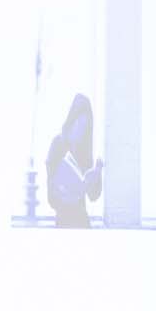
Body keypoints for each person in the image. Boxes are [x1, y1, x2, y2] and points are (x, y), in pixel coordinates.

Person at [44, 94, 102, 228]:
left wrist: (97, 175)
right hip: (63, 220)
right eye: (79, 125)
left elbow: (93, 196)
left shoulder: (85, 150)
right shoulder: (57, 144)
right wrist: (69, 194)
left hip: (82, 221)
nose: (81, 131)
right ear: (71, 121)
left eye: (86, 127)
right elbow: (52, 199)